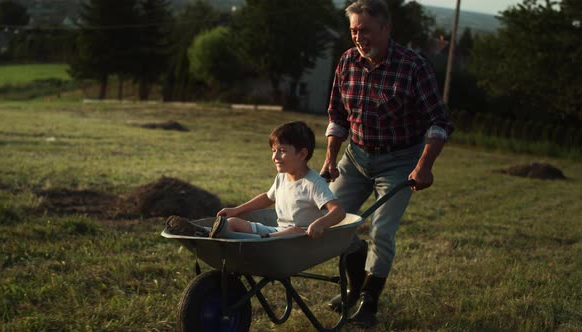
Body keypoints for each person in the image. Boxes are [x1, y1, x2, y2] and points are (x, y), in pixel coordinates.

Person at [319, 0, 454, 328]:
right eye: (353, 30)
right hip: (356, 156)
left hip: (399, 161)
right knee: (334, 221)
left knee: (382, 230)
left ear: (386, 28)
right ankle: (354, 287)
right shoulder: (347, 61)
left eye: (364, 30)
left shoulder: (413, 66)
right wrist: (330, 159)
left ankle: (369, 302)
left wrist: (424, 165)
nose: (358, 37)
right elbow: (337, 115)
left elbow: (440, 121)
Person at [168, 121, 345, 240]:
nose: (275, 156)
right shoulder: (282, 177)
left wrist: (320, 223)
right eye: (273, 150)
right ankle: (203, 233)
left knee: (294, 230)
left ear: (302, 154)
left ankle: (253, 241)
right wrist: (237, 210)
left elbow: (338, 212)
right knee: (232, 223)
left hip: (296, 240)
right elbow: (268, 198)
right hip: (276, 233)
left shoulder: (313, 183)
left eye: (282, 150)